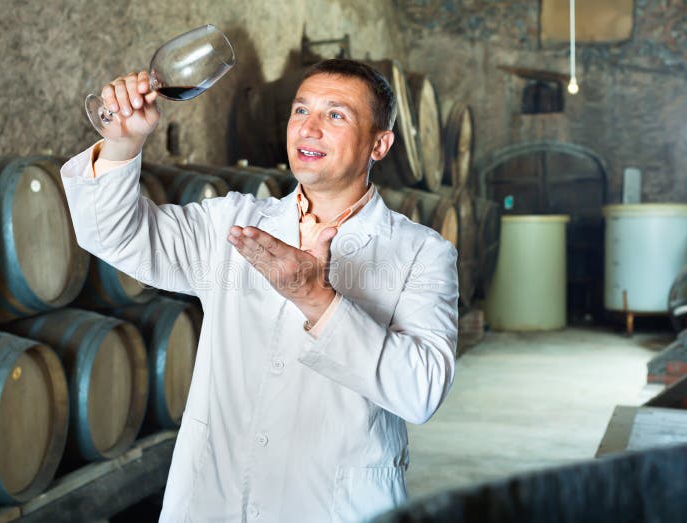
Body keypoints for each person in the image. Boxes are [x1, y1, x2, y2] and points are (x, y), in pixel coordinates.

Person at [61, 58, 458, 522]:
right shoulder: (232, 222)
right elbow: (112, 234)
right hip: (214, 499)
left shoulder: (421, 253)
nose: (308, 128)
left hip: (332, 506)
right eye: (300, 110)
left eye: (335, 115)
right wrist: (122, 141)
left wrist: (316, 298)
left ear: (379, 144)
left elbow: (421, 392)